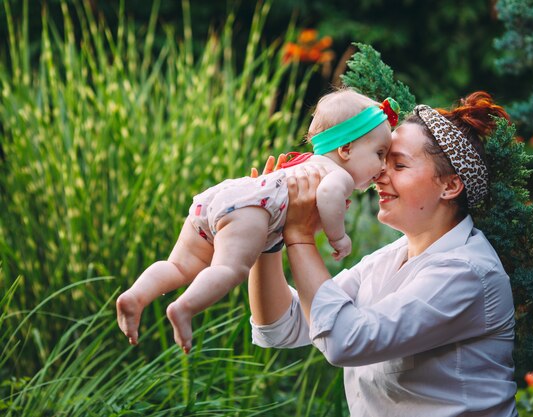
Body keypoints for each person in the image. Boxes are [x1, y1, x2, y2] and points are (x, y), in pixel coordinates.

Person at [249, 91, 519, 416]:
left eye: (399, 164)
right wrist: (270, 236)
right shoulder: (388, 259)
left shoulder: (467, 272)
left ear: (449, 186)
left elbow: (345, 340)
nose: (378, 174)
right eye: (381, 159)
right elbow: (283, 326)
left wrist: (300, 235)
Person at [116, 88, 398, 353]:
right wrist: (339, 237)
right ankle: (185, 308)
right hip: (250, 210)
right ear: (346, 149)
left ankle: (136, 296)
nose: (384, 167)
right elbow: (328, 195)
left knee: (179, 265)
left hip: (222, 197)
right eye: (380, 154)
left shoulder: (302, 163)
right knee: (229, 269)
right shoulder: (337, 175)